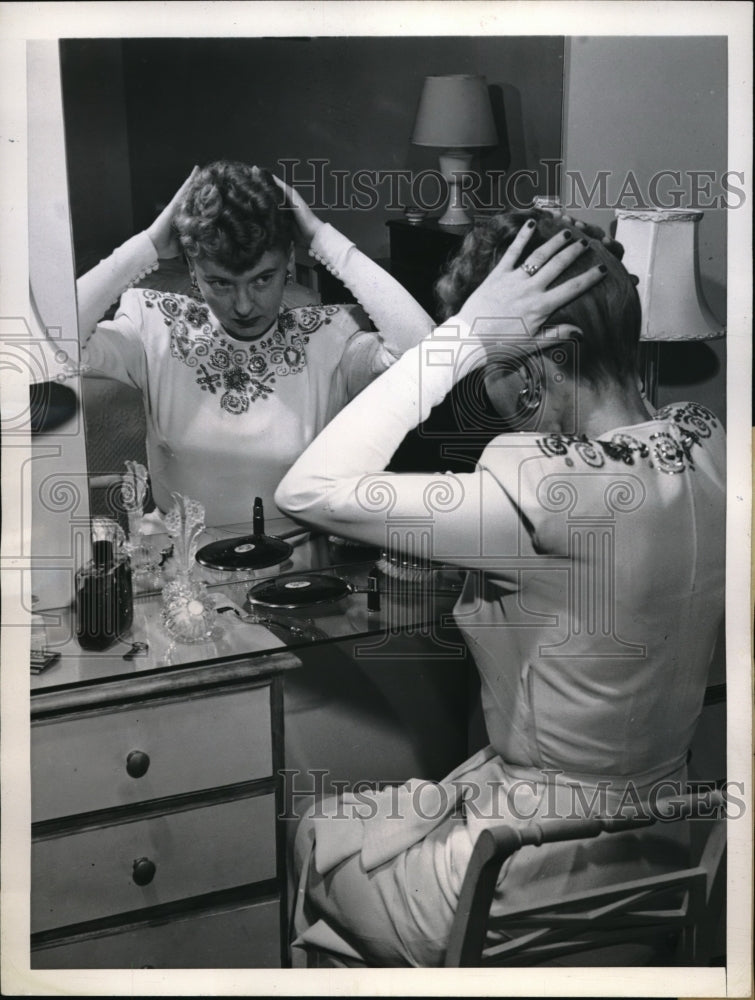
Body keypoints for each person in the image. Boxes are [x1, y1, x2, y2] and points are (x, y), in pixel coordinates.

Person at [274, 209, 726, 966]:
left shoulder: (546, 491)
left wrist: (463, 334)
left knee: (319, 831)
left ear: (542, 357)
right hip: (662, 863)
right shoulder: (714, 452)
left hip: (532, 879)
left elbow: (307, 490)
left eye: (491, 362)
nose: (487, 390)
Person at [76, 161, 434, 525]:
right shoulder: (157, 328)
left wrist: (321, 237)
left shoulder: (328, 338)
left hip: (297, 558)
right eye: (221, 283)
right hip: (180, 556)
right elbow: (50, 344)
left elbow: (426, 354)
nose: (244, 306)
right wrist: (149, 244)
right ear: (193, 270)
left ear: (288, 262)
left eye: (263, 279)